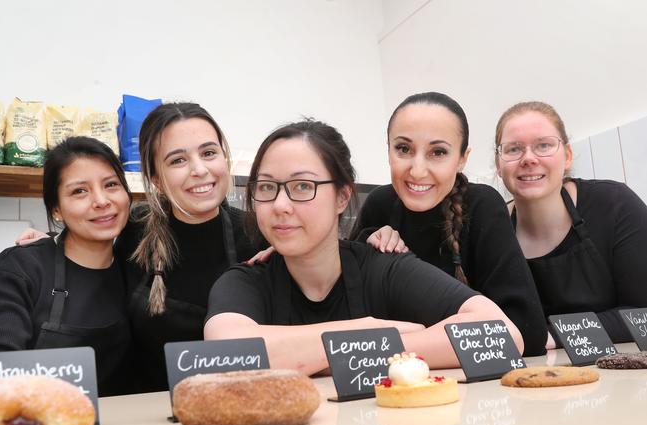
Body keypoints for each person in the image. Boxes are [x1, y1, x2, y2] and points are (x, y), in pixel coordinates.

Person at [204, 120, 523, 375]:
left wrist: (355, 350)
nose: (280, 204)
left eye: (303, 186)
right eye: (267, 187)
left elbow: (503, 335)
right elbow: (227, 353)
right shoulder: (245, 281)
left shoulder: (382, 268)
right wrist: (367, 331)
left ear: (342, 197)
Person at [350, 92, 547, 356]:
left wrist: (404, 342)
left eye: (438, 152)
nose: (417, 169)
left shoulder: (482, 206)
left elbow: (528, 332)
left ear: (462, 158)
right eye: (403, 149)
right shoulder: (378, 205)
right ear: (388, 150)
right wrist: (368, 246)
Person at [114, 102, 261, 392]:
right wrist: (45, 248)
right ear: (156, 178)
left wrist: (377, 233)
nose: (199, 170)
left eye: (208, 153)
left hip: (246, 404)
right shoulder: (134, 231)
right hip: (153, 418)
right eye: (178, 160)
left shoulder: (258, 232)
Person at [495, 101, 647, 343]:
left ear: (567, 156)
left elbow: (643, 316)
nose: (529, 158)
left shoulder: (615, 205)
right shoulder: (491, 230)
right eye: (514, 149)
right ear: (498, 165)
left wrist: (552, 336)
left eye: (543, 145)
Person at [0, 136, 133, 396]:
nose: (102, 200)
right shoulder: (19, 269)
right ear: (56, 209)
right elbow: (3, 371)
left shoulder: (136, 270)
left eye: (111, 185)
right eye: (79, 191)